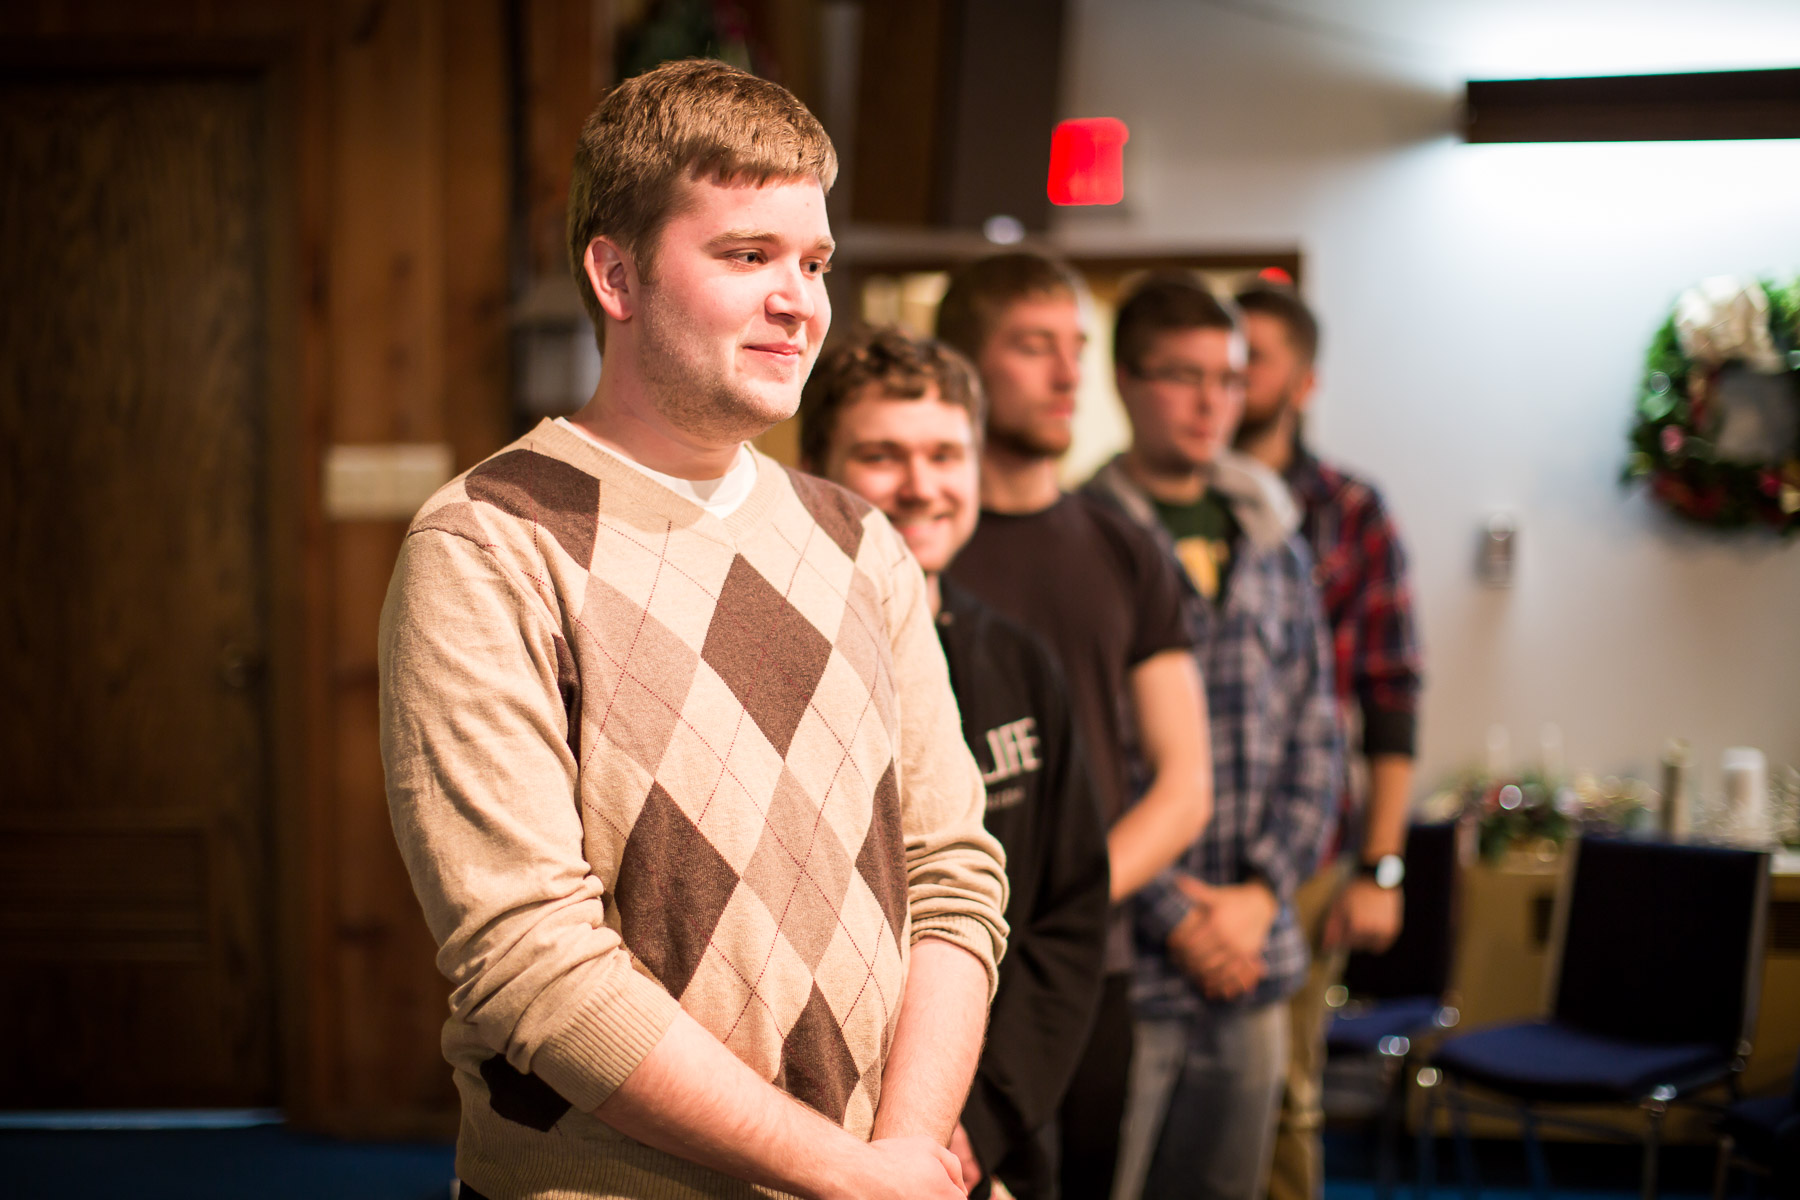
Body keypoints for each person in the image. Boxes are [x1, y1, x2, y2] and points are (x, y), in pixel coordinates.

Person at [377, 59, 1009, 1200]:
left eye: (814, 261)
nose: (800, 300)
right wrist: (845, 1173)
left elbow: (951, 872)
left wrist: (903, 1152)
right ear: (615, 276)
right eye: (747, 255)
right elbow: (530, 959)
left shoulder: (861, 540)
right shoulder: (489, 543)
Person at [798, 326, 1112, 1200]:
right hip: (827, 1132)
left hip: (994, 1128)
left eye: (945, 455)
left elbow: (1068, 909)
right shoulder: (781, 665)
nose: (921, 485)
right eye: (881, 456)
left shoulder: (1020, 661)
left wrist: (979, 1114)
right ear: (814, 469)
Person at [935, 253, 1213, 1199]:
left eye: (1077, 348)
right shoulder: (918, 545)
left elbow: (1184, 787)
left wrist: (1063, 910)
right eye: (1033, 346)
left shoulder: (1123, 547)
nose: (1067, 375)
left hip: (1088, 969)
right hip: (939, 962)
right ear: (966, 366)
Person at [1084, 274, 1339, 1200]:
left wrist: (1263, 892)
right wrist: (1182, 918)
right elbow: (1085, 766)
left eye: (1229, 379)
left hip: (1256, 948)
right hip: (1133, 955)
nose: (1211, 403)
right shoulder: (1084, 535)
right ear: (1126, 380)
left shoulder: (1272, 536)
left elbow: (1317, 731)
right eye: (1183, 376)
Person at [1231, 282, 1423, 1200]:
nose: (1231, 377)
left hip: (1305, 849)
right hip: (1174, 848)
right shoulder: (1158, 501)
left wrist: (1380, 866)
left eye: (1254, 360)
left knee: (1284, 1092)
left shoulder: (1350, 510)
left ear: (1303, 382)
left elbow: (1390, 697)